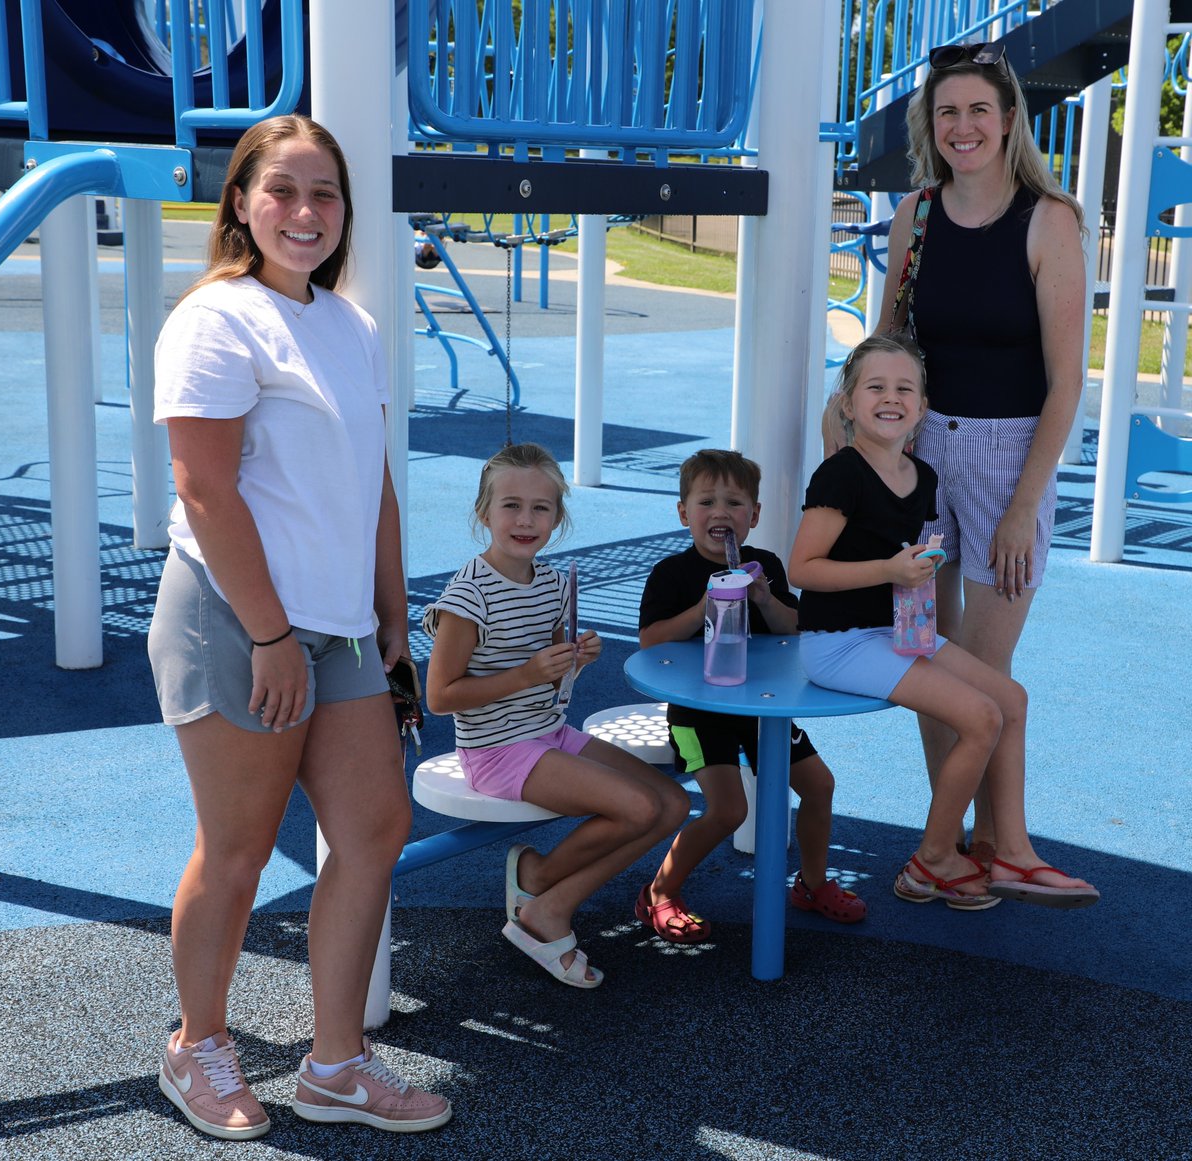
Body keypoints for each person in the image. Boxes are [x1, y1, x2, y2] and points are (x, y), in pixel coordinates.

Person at [147, 115, 451, 1140]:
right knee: (236, 853)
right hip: (240, 622)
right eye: (282, 191)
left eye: (325, 194)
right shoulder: (216, 320)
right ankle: (200, 1048)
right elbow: (203, 488)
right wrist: (274, 636)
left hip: (343, 630)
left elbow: (374, 487)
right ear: (239, 201)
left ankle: (335, 1066)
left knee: (373, 829)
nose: (305, 213)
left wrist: (393, 621)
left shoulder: (349, 324)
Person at [826, 40, 1086, 867]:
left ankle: (982, 840)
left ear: (1009, 120)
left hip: (1009, 458)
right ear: (929, 126)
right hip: (920, 455)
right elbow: (890, 344)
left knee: (980, 665)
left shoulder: (1049, 221)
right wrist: (850, 421)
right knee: (921, 653)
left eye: (979, 109)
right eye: (948, 112)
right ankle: (955, 846)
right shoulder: (919, 214)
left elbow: (1067, 380)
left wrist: (1022, 505)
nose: (963, 126)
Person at [792, 333, 1097, 910]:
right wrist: (890, 570)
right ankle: (933, 858)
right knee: (981, 717)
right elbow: (804, 568)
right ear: (849, 402)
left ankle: (1010, 850)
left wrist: (917, 604)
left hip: (895, 631)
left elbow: (916, 567)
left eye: (905, 388)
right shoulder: (840, 476)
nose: (891, 397)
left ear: (924, 407)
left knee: (1010, 698)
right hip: (840, 642)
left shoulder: (921, 476)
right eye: (875, 387)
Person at [423, 442, 689, 988]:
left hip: (548, 734)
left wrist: (573, 661)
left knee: (672, 804)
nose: (526, 520)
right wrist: (529, 673)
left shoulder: (551, 583)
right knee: (639, 807)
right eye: (511, 506)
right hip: (496, 752)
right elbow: (440, 697)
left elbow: (547, 679)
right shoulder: (467, 596)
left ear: (558, 517)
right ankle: (546, 907)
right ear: (484, 513)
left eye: (541, 508)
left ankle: (539, 876)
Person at [636, 449, 867, 941]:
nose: (720, 512)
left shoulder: (765, 565)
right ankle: (660, 891)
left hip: (764, 707)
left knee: (819, 786)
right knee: (728, 810)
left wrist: (763, 597)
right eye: (706, 502)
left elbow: (796, 626)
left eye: (735, 503)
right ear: (683, 513)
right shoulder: (671, 574)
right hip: (699, 713)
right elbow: (651, 642)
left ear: (754, 515)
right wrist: (706, 603)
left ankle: (811, 882)